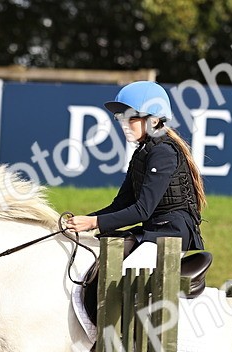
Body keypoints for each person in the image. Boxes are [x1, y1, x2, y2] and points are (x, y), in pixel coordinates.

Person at [65, 81, 206, 253]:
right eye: (121, 118)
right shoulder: (142, 152)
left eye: (131, 118)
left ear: (153, 121)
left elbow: (142, 211)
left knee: (123, 267)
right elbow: (120, 205)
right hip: (154, 231)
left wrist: (93, 223)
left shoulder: (163, 153)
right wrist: (82, 222)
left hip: (172, 234)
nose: (124, 124)